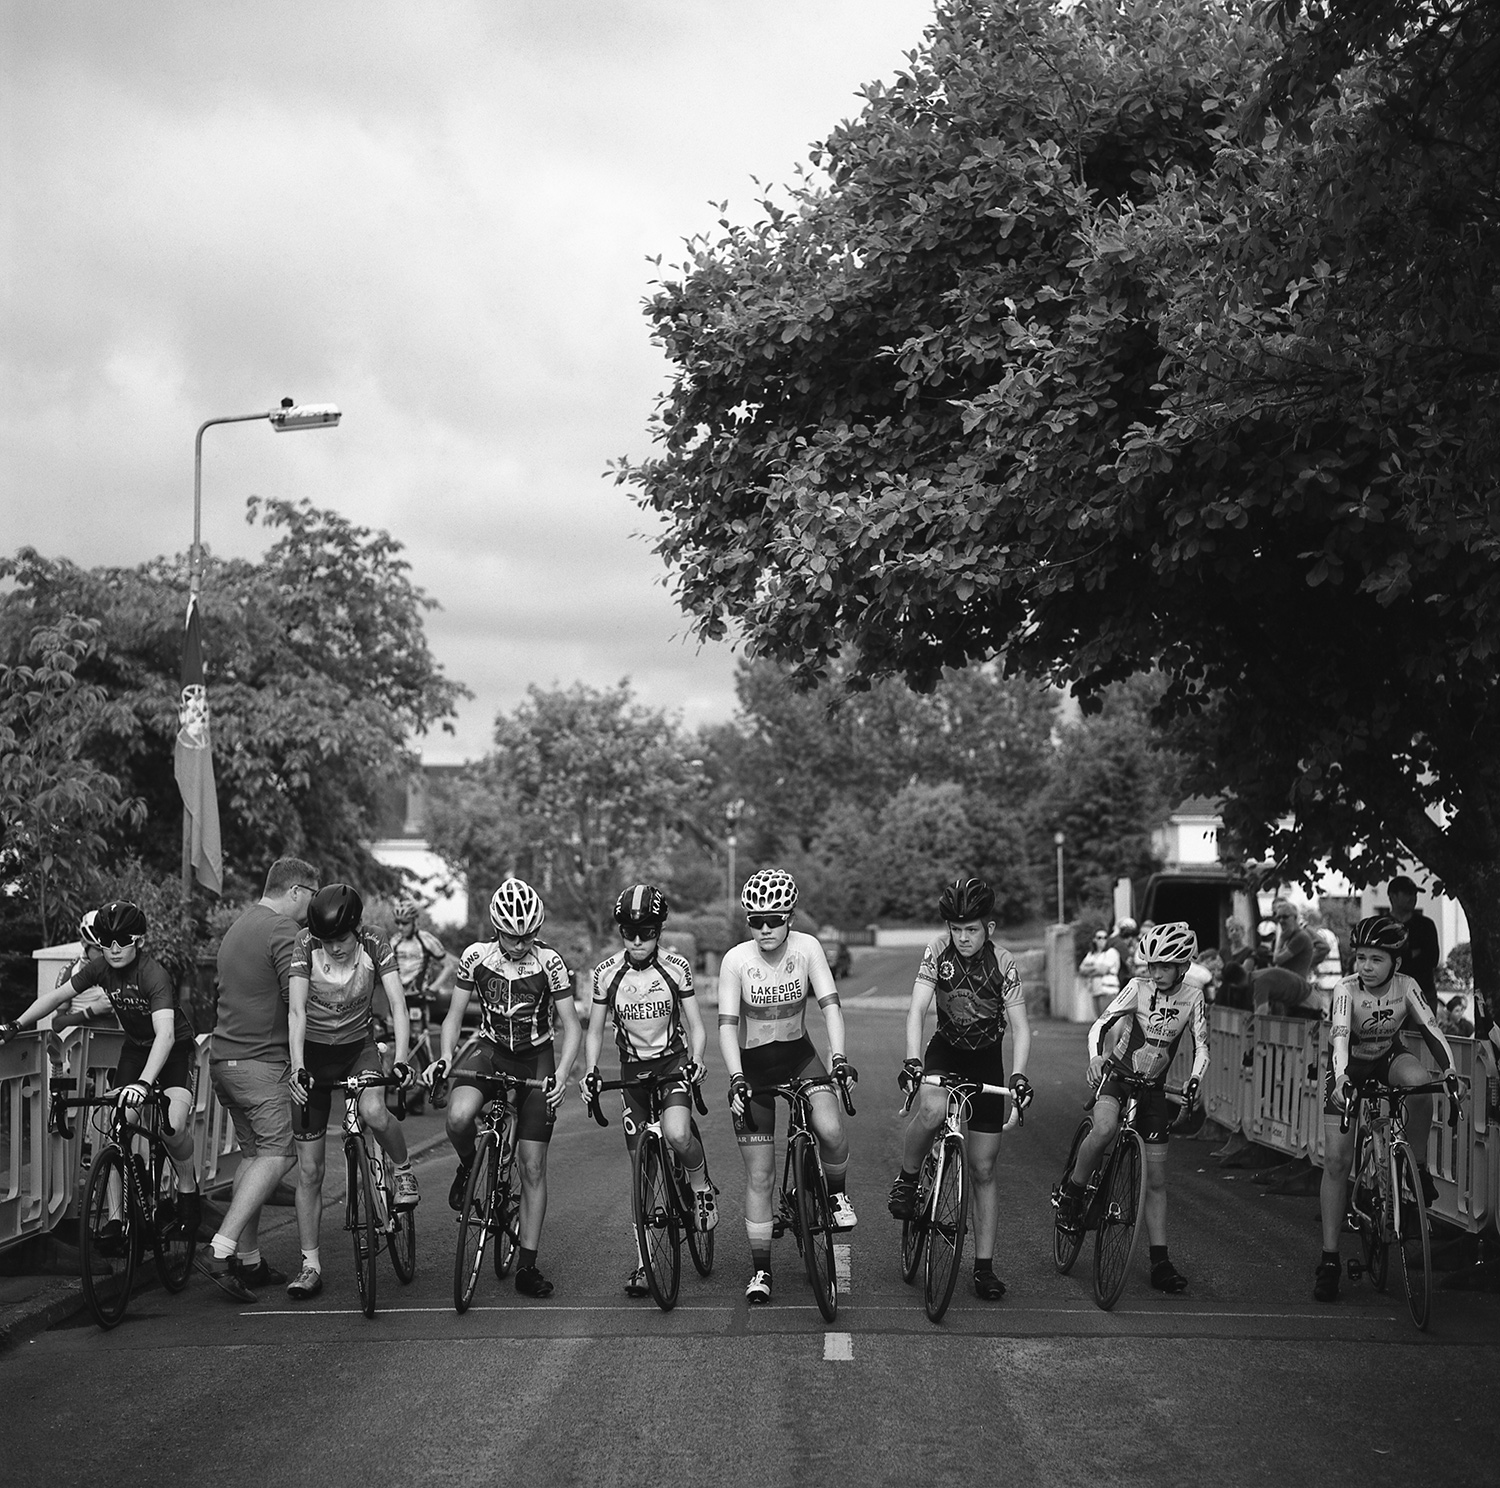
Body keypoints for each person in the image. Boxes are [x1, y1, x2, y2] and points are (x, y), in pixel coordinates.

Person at [1, 901, 201, 1246]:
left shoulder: (154, 975)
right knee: (117, 1126)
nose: (113, 949)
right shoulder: (99, 968)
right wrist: (16, 1024)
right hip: (136, 1048)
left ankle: (187, 1185)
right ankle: (115, 1220)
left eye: (122, 941)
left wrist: (143, 1083)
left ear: (139, 941)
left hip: (174, 1053)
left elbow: (166, 1036)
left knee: (174, 1126)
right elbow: (56, 998)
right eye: (107, 941)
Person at [427, 878, 580, 1298]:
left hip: (536, 1057)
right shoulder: (476, 957)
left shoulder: (549, 962)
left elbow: (572, 1026)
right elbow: (454, 1016)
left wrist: (562, 1075)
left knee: (532, 1165)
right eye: (513, 935)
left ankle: (528, 1265)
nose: (520, 943)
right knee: (458, 1117)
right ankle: (467, 1165)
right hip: (490, 1050)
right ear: (497, 928)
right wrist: (444, 1057)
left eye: (528, 934)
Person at [887, 877, 1033, 1301]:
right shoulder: (937, 952)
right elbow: (917, 1007)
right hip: (945, 1050)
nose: (963, 937)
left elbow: (1020, 1028)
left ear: (989, 927)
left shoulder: (1003, 963)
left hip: (987, 1057)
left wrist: (1019, 1075)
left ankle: (983, 1267)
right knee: (931, 1111)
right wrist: (913, 1059)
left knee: (984, 1168)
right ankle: (909, 1178)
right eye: (956, 928)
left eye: (971, 928)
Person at [719, 867, 858, 1306]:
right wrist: (735, 1075)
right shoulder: (736, 960)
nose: (764, 929)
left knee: (832, 1131)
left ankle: (834, 1196)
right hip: (755, 1069)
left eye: (773, 920)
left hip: (801, 1058)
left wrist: (838, 1059)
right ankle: (761, 1270)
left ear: (790, 918)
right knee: (760, 1174)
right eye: (755, 920)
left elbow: (831, 1007)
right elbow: (727, 1026)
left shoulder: (808, 948)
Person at [1312, 914, 1460, 1303]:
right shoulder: (1345, 990)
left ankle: (1420, 1170)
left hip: (1388, 1055)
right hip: (1350, 1066)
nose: (1365, 966)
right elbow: (1341, 1039)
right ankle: (1329, 1259)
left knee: (1422, 1085)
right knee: (1336, 1163)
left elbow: (1431, 1029)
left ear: (1395, 962)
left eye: (1375, 959)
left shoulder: (1407, 986)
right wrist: (1343, 1080)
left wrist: (1450, 1070)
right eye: (1360, 957)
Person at [1056, 921, 1208, 1294]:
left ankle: (1160, 1261)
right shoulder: (1137, 988)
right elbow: (1101, 1024)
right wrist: (1095, 1058)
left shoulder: (1193, 997)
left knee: (1156, 1180)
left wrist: (1194, 1080)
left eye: (1165, 966)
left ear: (1183, 967)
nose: (1156, 973)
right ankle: (1073, 1193)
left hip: (1154, 1089)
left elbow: (1202, 1046)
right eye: (1152, 965)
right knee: (1105, 1129)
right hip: (1120, 1077)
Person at [581, 883, 716, 1298]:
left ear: (659, 930)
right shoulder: (606, 973)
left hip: (672, 1064)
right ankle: (644, 1264)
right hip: (633, 1073)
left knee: (678, 1134)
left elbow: (695, 1025)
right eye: (629, 932)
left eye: (647, 932)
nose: (637, 940)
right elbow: (595, 1030)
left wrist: (698, 1058)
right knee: (642, 1168)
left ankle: (700, 1186)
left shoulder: (676, 968)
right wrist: (590, 1070)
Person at [286, 883, 418, 1301]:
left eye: (342, 940)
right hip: (313, 1054)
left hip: (357, 1048)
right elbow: (296, 1010)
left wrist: (399, 1058)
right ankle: (310, 1265)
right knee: (309, 1171)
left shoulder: (376, 941)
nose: (335, 949)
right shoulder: (305, 945)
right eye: (327, 942)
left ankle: (401, 1169)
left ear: (357, 931)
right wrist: (298, 1067)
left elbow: (397, 1004)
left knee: (375, 1111)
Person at [205, 856, 319, 1302]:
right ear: (295, 891)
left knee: (253, 1157)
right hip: (260, 1062)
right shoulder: (283, 931)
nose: (312, 905)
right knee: (279, 1154)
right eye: (311, 895)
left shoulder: (239, 926)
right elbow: (301, 1002)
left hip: (224, 1060)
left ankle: (249, 1262)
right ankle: (221, 1250)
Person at [1253, 895, 1319, 1016]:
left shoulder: (1300, 937)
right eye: (1278, 918)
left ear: (1295, 917)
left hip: (1297, 995)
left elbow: (1277, 959)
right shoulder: (1291, 937)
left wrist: (1281, 940)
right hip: (1287, 992)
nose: (1281, 921)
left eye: (1285, 917)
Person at [51, 910, 116, 1029]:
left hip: (113, 1042)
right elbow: (57, 1024)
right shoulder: (70, 972)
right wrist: (92, 1010)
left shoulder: (118, 968)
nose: (104, 955)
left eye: (107, 949)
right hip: (82, 1042)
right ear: (84, 943)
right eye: (98, 950)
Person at [1386, 876, 1441, 1012]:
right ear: (1393, 896)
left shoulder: (1426, 925)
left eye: (1414, 894)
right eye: (1407, 893)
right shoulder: (1382, 926)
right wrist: (1412, 953)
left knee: (1421, 1033)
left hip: (1423, 994)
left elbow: (1432, 959)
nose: (1413, 898)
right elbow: (1380, 961)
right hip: (1389, 996)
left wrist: (1401, 957)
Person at [1077, 929, 1121, 1019]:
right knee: (1099, 1019)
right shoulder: (1091, 954)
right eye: (1099, 938)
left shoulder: (1111, 952)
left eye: (1105, 938)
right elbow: (1081, 969)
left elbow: (1102, 970)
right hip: (1095, 989)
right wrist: (1095, 967)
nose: (1102, 940)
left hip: (1108, 989)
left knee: (1107, 1019)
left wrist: (1090, 968)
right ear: (1094, 939)